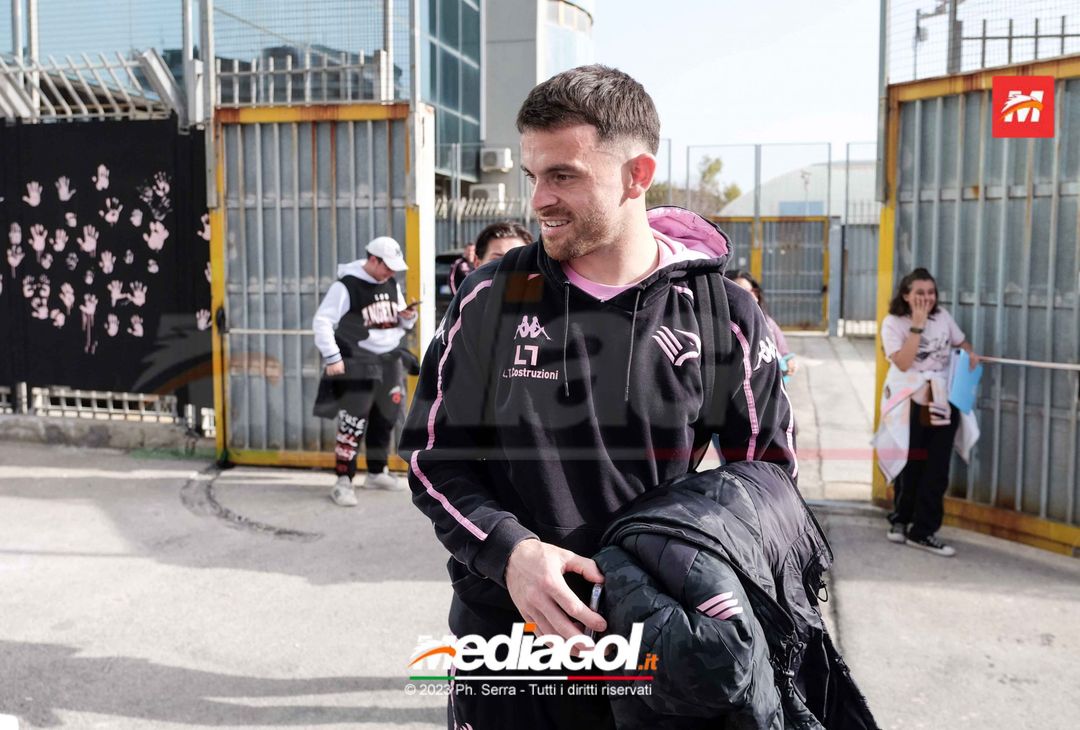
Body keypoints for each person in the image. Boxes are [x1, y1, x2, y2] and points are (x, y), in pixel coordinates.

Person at [399, 65, 797, 729]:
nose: (539, 201)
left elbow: (765, 492)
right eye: (532, 176)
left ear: (637, 175)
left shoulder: (719, 313)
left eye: (563, 175)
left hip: (651, 649)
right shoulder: (492, 297)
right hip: (506, 640)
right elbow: (432, 459)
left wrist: (701, 599)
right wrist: (513, 555)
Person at [876, 267, 979, 557]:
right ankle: (901, 519)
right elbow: (904, 363)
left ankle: (923, 531)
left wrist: (969, 352)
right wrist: (918, 326)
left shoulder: (943, 317)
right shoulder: (894, 322)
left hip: (942, 400)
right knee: (909, 464)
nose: (927, 298)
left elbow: (961, 342)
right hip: (910, 401)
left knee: (936, 467)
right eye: (919, 293)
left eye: (931, 292)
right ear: (906, 295)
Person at [312, 236, 417, 505]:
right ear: (373, 260)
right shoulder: (346, 286)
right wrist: (333, 356)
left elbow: (396, 323)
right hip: (358, 363)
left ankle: (376, 471)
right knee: (353, 421)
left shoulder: (390, 282)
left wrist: (407, 318)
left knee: (386, 417)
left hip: (389, 362)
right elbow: (323, 321)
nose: (392, 272)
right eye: (388, 266)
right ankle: (343, 480)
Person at [727, 269, 797, 377]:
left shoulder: (767, 321)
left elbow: (782, 349)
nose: (751, 297)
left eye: (752, 291)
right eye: (742, 292)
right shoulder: (724, 330)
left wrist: (789, 360)